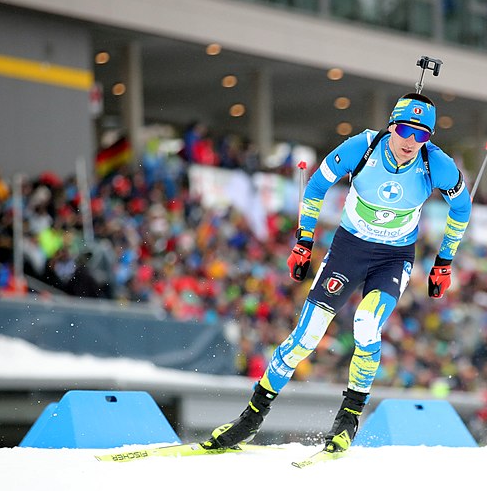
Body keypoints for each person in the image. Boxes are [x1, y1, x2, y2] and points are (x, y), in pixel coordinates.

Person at [202, 92, 472, 453]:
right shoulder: (362, 146)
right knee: (306, 338)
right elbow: (316, 185)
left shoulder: (436, 163)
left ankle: (348, 419)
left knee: (366, 325)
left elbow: (462, 207)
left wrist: (443, 263)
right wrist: (303, 242)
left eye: (422, 135)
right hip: (349, 251)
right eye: (406, 130)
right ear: (393, 125)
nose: (411, 141)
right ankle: (251, 417)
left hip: (393, 258)